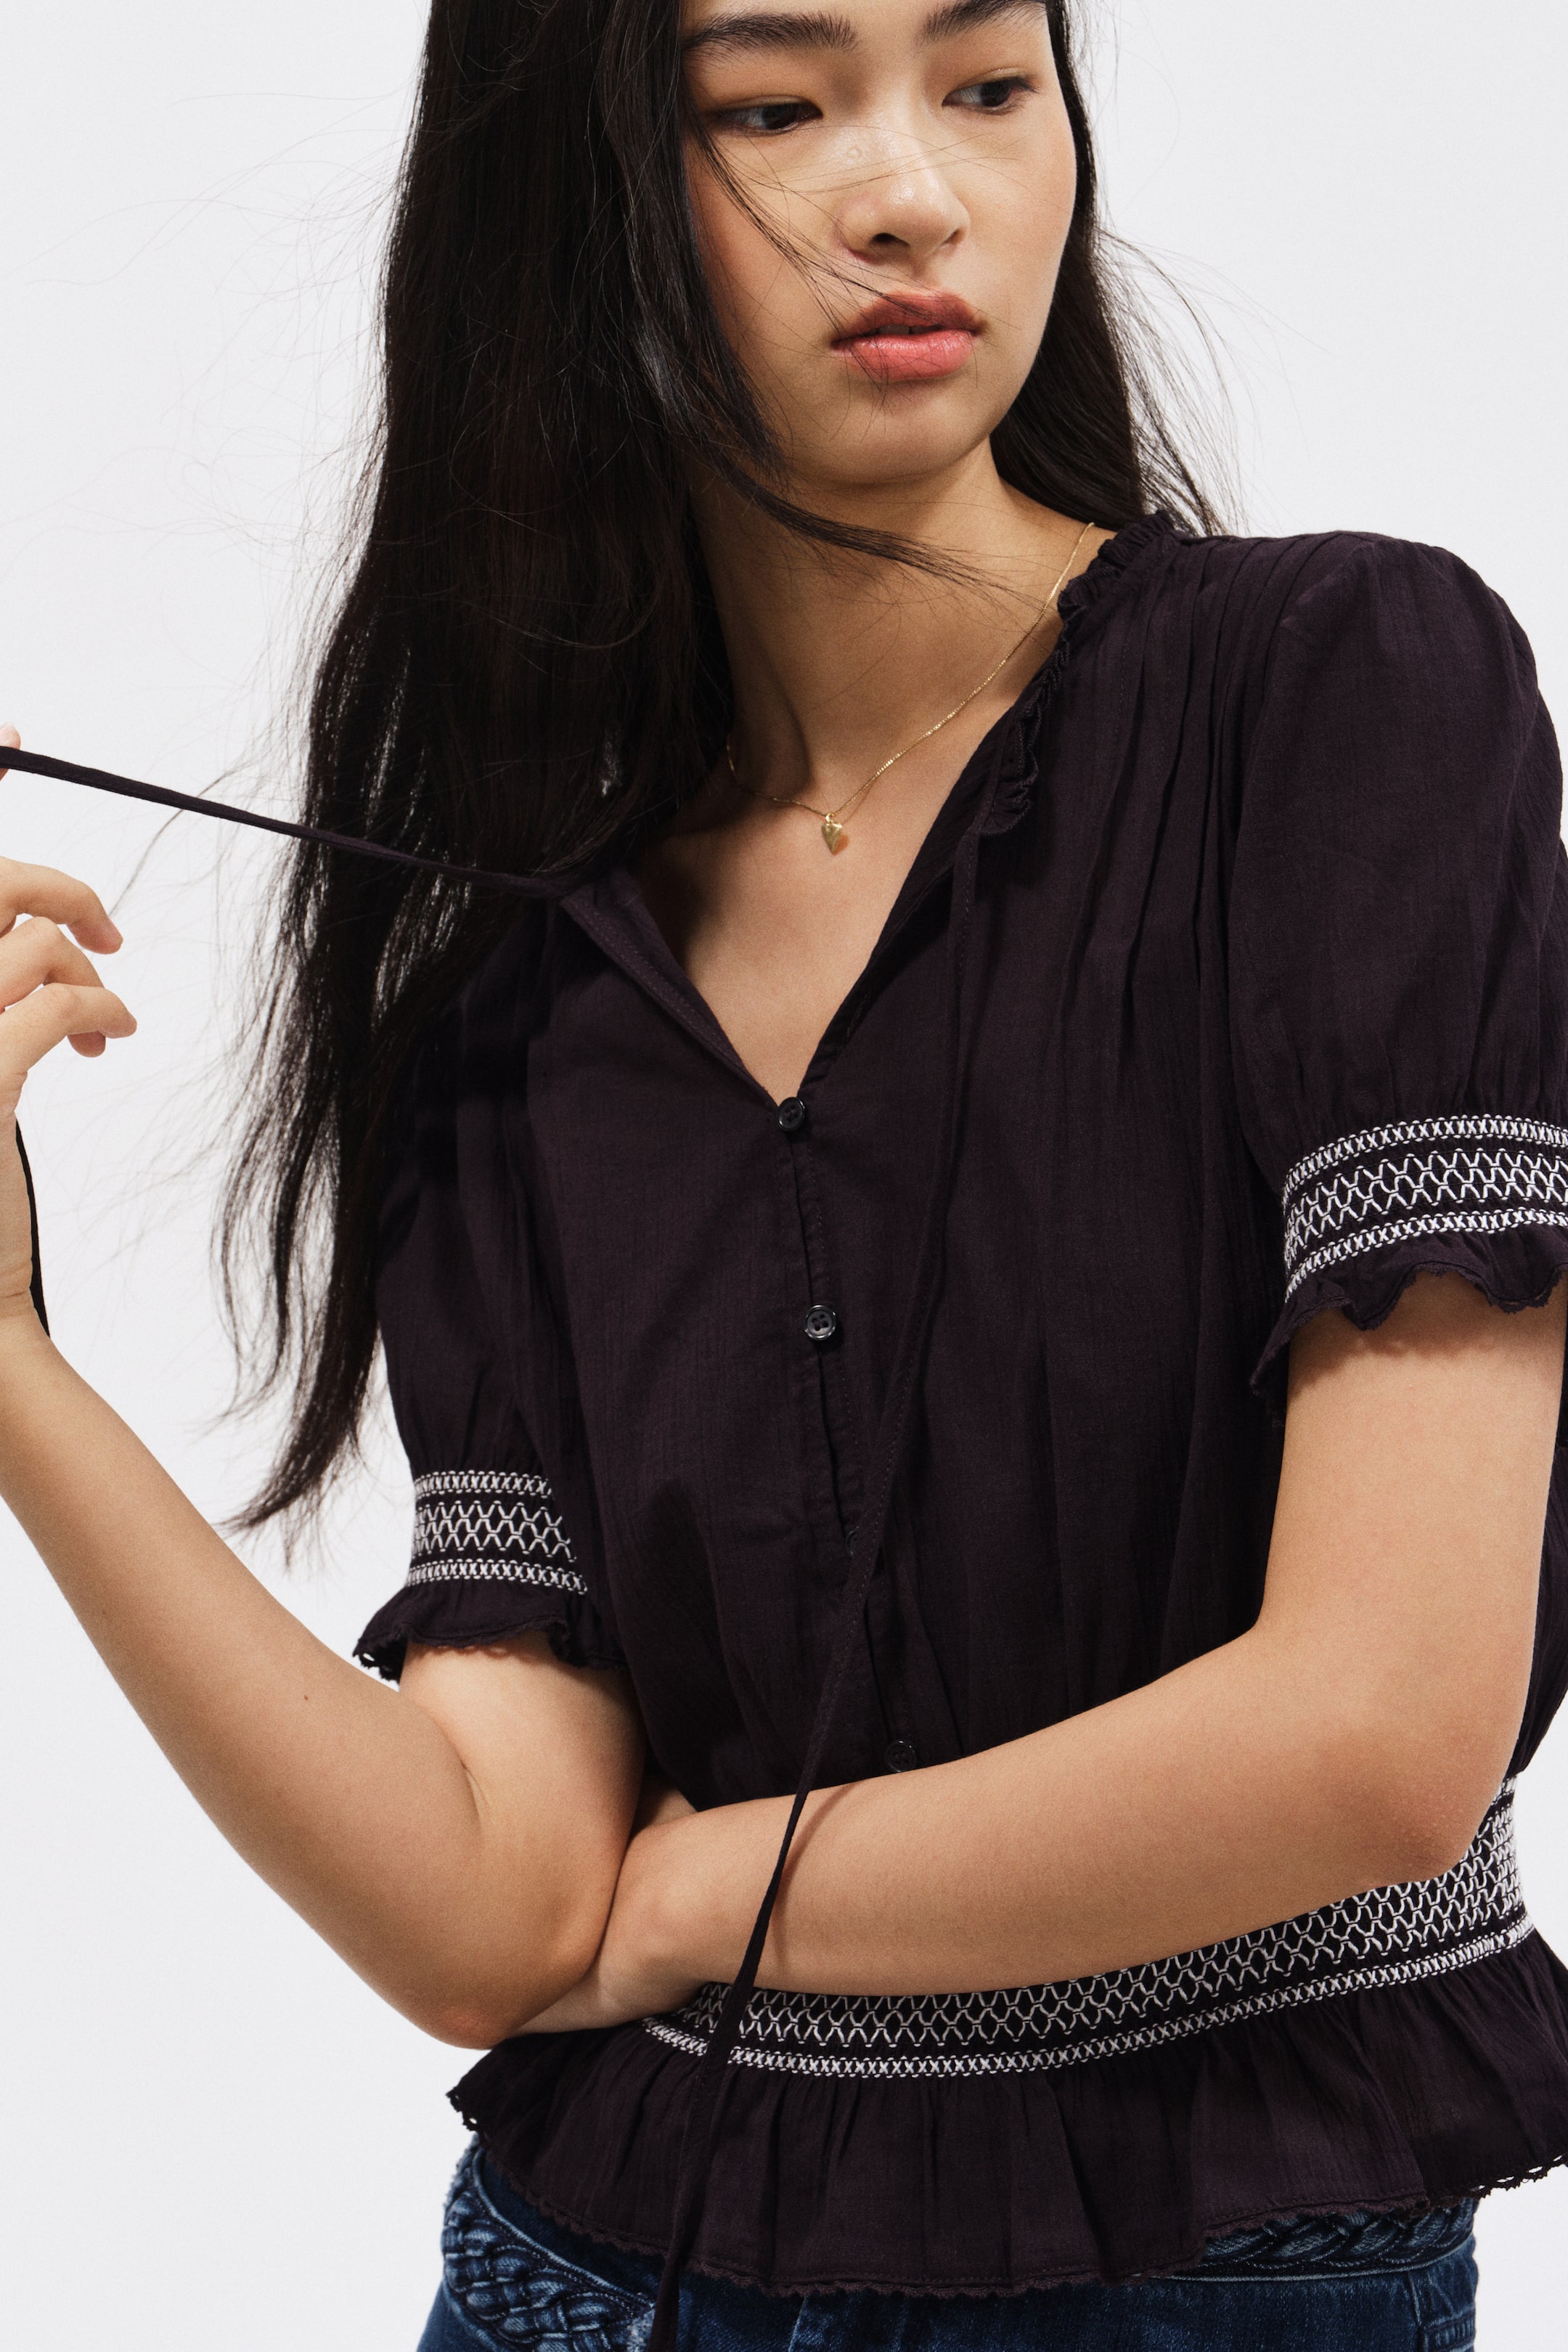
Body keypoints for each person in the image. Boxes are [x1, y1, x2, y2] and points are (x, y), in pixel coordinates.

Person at [2, 1, 1566, 2345]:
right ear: (578, 195)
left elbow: (1376, 1735)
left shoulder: (1339, 697)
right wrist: (14, 1367)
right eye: (772, 106)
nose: (913, 193)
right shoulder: (527, 994)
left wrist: (694, 1899)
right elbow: (493, 1909)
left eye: (988, 84)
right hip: (591, 2285)